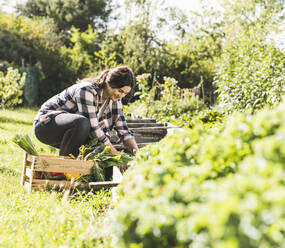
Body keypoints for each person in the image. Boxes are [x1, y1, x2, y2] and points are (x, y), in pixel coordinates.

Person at [33, 65, 139, 157]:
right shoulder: (86, 90)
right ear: (109, 82)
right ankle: (66, 168)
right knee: (83, 123)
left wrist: (137, 152)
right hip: (45, 126)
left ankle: (76, 171)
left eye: (125, 93)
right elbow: (93, 128)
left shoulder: (115, 100)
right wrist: (115, 154)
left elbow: (123, 131)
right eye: (119, 90)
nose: (121, 95)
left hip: (72, 132)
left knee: (95, 145)